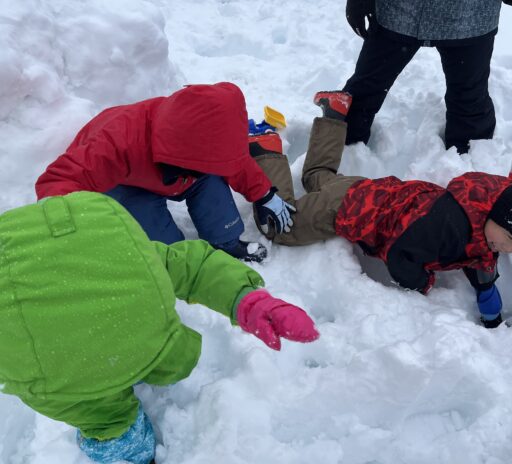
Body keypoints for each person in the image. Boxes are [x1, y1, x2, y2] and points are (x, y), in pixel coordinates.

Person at [0, 191, 319, 464]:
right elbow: (193, 267)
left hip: (57, 380)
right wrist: (245, 300)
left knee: (107, 421)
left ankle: (125, 446)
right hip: (128, 351)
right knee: (149, 363)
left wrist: (247, 301)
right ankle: (139, 373)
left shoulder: (122, 256)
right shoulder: (131, 256)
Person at [249, 91, 512, 328]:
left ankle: (334, 113)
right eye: (508, 237)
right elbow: (400, 256)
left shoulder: (482, 211)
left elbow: (481, 254)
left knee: (318, 178)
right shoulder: (447, 227)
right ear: (497, 215)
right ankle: (266, 150)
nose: (507, 247)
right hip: (348, 209)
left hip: (368, 192)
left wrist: (487, 293)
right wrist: (423, 283)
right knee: (278, 225)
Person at [35, 83, 295, 263]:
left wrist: (264, 195)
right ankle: (181, 261)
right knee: (168, 249)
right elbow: (59, 179)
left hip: (180, 167)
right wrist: (63, 229)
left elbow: (234, 162)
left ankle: (225, 243)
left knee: (212, 182)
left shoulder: (206, 135)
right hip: (126, 182)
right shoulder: (117, 142)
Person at [342, 0, 512, 153]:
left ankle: (468, 177)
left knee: (469, 105)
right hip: (400, 7)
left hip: (471, 14)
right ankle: (336, 157)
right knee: (363, 93)